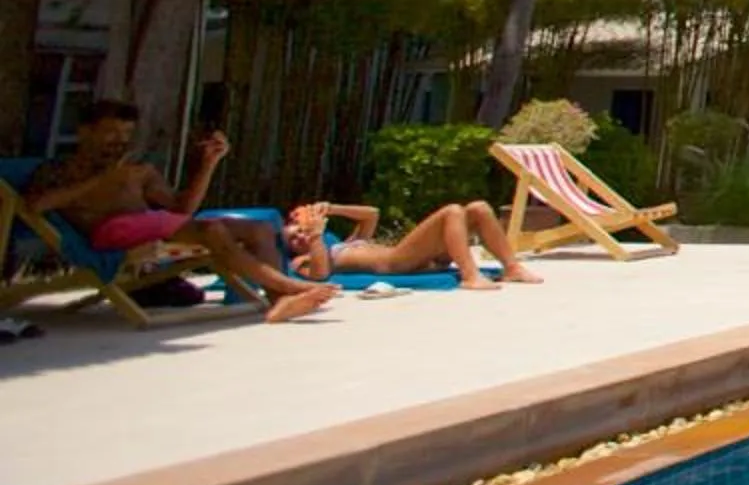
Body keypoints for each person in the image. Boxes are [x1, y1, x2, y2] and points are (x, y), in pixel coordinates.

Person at [26, 99, 336, 323]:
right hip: (109, 233)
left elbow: (183, 208)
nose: (119, 142)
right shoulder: (60, 170)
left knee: (260, 229)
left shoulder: (139, 172)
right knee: (211, 230)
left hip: (152, 225)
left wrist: (209, 164)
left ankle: (279, 301)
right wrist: (102, 179)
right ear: (84, 132)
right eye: (111, 132)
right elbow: (36, 205)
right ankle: (287, 286)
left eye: (125, 134)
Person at [285, 198, 540, 290]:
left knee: (479, 208)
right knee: (452, 211)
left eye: (299, 230)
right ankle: (470, 276)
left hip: (415, 257)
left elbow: (372, 214)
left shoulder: (344, 244)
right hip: (397, 262)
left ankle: (512, 267)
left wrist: (332, 208)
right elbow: (319, 274)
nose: (299, 236)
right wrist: (315, 235)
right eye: (293, 239)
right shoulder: (302, 261)